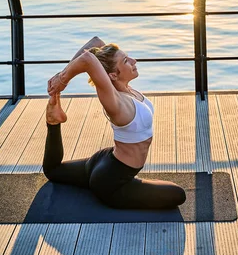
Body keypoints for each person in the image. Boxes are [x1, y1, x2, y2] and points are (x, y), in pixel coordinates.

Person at [44, 36, 186, 209]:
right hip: (112, 183)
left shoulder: (125, 88)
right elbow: (88, 59)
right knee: (178, 194)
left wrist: (60, 78)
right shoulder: (115, 102)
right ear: (112, 75)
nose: (134, 61)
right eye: (126, 61)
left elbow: (95, 42)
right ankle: (53, 122)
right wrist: (62, 79)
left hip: (105, 160)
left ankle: (54, 121)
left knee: (54, 171)